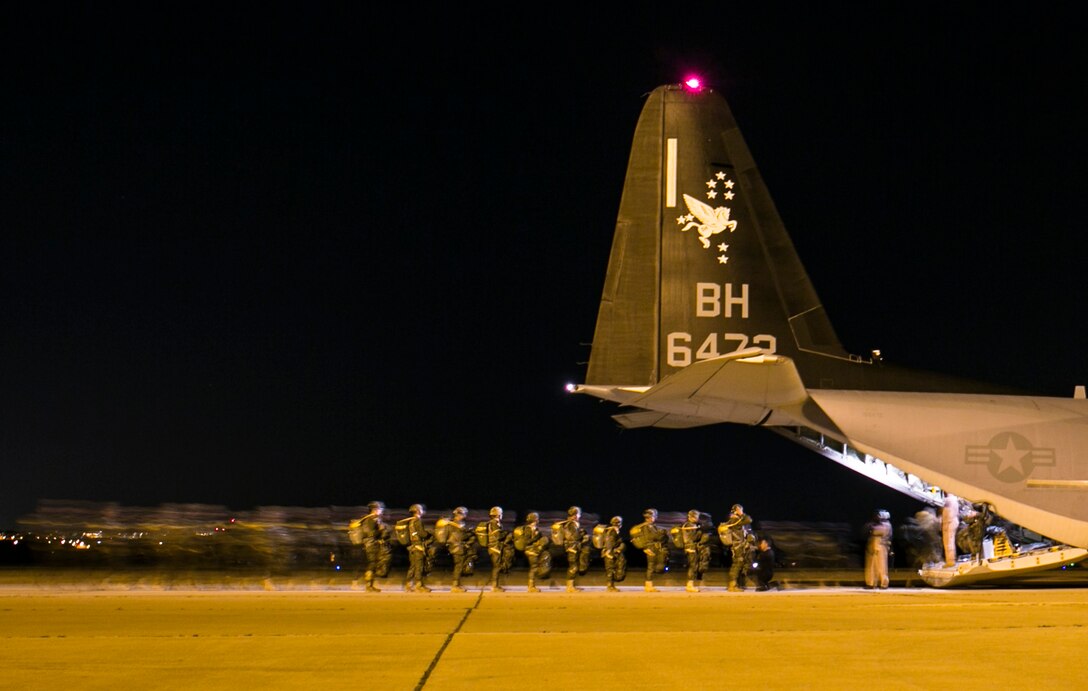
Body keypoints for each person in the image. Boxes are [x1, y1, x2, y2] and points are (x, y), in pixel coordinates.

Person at [352, 500, 389, 592]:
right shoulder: (370, 520)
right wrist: (381, 530)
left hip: (371, 544)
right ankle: (368, 585)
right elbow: (371, 533)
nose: (381, 511)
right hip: (370, 545)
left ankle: (369, 585)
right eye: (380, 509)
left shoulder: (373, 519)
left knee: (372, 564)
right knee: (372, 564)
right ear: (375, 510)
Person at [630, 508, 669, 592]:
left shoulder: (654, 527)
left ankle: (649, 585)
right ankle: (648, 585)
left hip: (658, 548)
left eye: (652, 517)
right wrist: (645, 548)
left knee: (659, 567)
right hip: (650, 548)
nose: (650, 519)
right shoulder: (644, 527)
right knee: (651, 567)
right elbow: (645, 539)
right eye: (648, 517)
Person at [514, 512, 551, 592]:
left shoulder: (535, 529)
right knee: (534, 567)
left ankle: (532, 585)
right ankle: (531, 586)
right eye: (537, 519)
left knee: (536, 567)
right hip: (530, 550)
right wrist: (537, 538)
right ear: (535, 520)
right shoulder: (528, 529)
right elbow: (527, 541)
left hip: (535, 550)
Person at [721, 503, 753, 592]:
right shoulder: (735, 520)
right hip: (737, 546)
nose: (742, 511)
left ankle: (734, 585)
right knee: (736, 565)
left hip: (737, 546)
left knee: (737, 565)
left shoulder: (733, 520)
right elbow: (749, 520)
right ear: (736, 510)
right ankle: (732, 586)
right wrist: (741, 513)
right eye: (740, 510)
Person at [558, 506, 589, 592]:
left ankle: (572, 585)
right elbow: (574, 537)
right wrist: (582, 534)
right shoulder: (571, 524)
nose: (578, 516)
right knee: (573, 567)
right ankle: (570, 587)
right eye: (578, 514)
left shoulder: (572, 524)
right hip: (572, 548)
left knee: (574, 566)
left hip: (574, 547)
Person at [402, 504, 432, 592]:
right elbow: (422, 534)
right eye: (421, 510)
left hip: (411, 547)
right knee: (419, 566)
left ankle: (408, 585)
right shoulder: (418, 521)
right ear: (418, 511)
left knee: (413, 566)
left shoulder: (410, 521)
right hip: (418, 546)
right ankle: (419, 586)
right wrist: (429, 534)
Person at [680, 509, 710, 592]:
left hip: (690, 547)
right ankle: (690, 585)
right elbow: (693, 537)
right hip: (690, 548)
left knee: (693, 566)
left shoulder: (690, 525)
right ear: (692, 517)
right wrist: (700, 533)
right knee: (693, 566)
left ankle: (690, 584)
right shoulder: (689, 525)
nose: (697, 518)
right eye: (696, 516)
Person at [446, 506, 475, 593]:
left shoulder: (452, 523)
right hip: (457, 548)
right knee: (458, 566)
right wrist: (470, 534)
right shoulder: (456, 524)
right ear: (459, 514)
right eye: (464, 514)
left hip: (454, 547)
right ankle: (455, 586)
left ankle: (457, 584)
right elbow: (460, 537)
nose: (465, 516)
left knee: (458, 566)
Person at [484, 506, 513, 592]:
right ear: (498, 515)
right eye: (501, 514)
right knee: (496, 567)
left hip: (496, 547)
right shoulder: (493, 523)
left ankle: (495, 585)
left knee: (497, 566)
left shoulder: (496, 523)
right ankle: (494, 586)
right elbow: (498, 536)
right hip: (494, 548)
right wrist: (507, 534)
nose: (502, 515)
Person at [864, 509, 893, 589]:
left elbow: (874, 531)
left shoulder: (886, 525)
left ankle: (883, 584)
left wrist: (871, 527)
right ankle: (871, 583)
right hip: (874, 544)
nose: (876, 517)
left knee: (881, 565)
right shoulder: (878, 524)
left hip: (881, 545)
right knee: (871, 565)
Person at [601, 516, 626, 592]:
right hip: (610, 552)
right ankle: (610, 587)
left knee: (611, 569)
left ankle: (611, 586)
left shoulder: (614, 531)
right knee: (610, 570)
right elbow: (609, 542)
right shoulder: (612, 531)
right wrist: (609, 552)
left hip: (611, 552)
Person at [941, 493, 960, 566]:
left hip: (949, 523)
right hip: (953, 521)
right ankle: (951, 560)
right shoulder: (955, 499)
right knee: (950, 542)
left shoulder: (948, 500)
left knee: (948, 542)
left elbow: (947, 513)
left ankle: (950, 562)